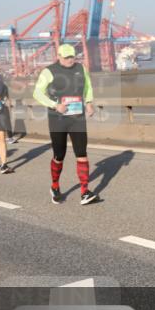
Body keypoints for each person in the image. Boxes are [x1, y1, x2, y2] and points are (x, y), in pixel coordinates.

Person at [32, 44, 101, 205]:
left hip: (77, 118)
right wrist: (55, 105)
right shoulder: (48, 71)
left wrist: (89, 102)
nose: (71, 60)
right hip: (58, 119)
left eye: (72, 56)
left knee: (82, 154)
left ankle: (84, 191)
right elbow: (37, 93)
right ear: (59, 56)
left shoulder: (81, 68)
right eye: (67, 57)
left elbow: (88, 86)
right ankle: (55, 186)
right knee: (59, 155)